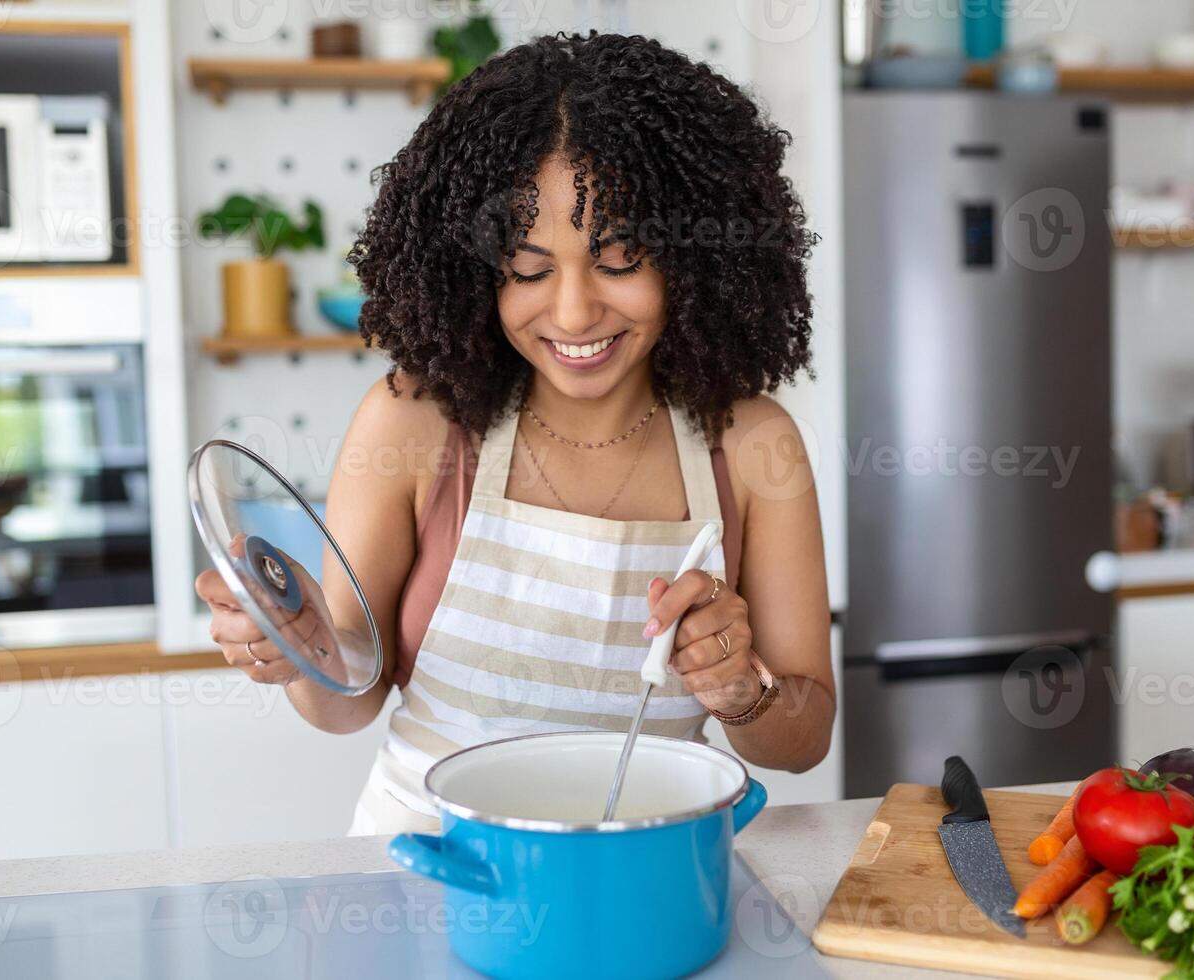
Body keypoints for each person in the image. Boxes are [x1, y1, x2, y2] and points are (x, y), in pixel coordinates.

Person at [196, 32, 836, 834]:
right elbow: (342, 704)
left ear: (693, 257)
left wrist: (746, 688)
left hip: (639, 878)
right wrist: (295, 646)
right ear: (475, 269)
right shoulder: (413, 425)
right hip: (424, 873)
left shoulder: (751, 445)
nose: (572, 313)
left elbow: (804, 740)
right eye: (529, 270)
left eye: (620, 261)